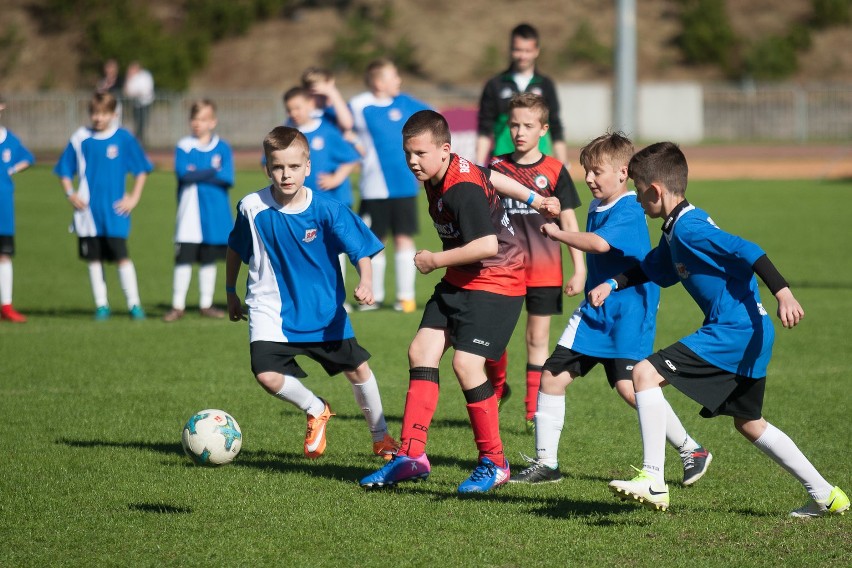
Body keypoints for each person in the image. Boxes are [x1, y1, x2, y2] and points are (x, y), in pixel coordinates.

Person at [591, 141, 849, 516]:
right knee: (750, 423)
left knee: (643, 373)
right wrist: (613, 283)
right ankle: (826, 494)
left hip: (734, 331)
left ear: (654, 191)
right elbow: (651, 268)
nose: (635, 199)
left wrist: (784, 293)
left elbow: (749, 249)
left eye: (637, 191)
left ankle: (653, 478)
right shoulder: (674, 228)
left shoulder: (690, 230)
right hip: (751, 331)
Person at [359, 110, 561, 493]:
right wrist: (534, 198)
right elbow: (493, 177)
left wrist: (433, 260)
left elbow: (486, 246)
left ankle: (494, 462)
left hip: (497, 281)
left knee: (466, 365)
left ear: (445, 150)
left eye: (420, 153)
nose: (413, 162)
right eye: (408, 153)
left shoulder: (459, 188)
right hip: (462, 280)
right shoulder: (447, 169)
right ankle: (412, 456)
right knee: (421, 351)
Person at [508, 132, 711, 488]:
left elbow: (600, 243)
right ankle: (547, 463)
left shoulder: (630, 207)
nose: (588, 178)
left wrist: (557, 234)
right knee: (553, 375)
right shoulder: (594, 206)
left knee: (630, 388)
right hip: (595, 310)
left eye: (596, 171)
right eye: (586, 170)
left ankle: (691, 449)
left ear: (622, 172)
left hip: (630, 311)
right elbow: (594, 251)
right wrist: (582, 273)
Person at [225, 125, 398, 461]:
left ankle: (381, 437)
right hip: (270, 309)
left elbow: (360, 250)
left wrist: (366, 280)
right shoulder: (251, 207)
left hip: (322, 310)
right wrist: (230, 289)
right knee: (266, 374)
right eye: (277, 167)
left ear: (307, 166)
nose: (285, 174)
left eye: (293, 167)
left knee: (358, 370)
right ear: (267, 168)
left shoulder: (328, 209)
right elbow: (235, 248)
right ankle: (315, 407)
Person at [484, 93, 586, 429]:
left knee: (536, 339)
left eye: (528, 125)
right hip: (502, 268)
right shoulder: (496, 168)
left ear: (543, 129)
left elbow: (569, 222)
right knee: (492, 335)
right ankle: (497, 387)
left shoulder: (555, 170)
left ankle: (532, 409)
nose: (519, 131)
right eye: (514, 125)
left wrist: (580, 268)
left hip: (545, 268)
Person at [54, 92, 153, 321]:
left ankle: (134, 304)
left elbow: (141, 169)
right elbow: (64, 169)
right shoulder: (80, 138)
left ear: (113, 114)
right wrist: (70, 193)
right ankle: (101, 305)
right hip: (87, 212)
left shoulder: (123, 138)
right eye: (94, 113)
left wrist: (134, 198)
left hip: (116, 211)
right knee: (94, 259)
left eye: (103, 113)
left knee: (122, 257)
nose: (98, 118)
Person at [349, 58, 430, 313]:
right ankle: (374, 296)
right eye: (394, 76)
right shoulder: (359, 104)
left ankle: (405, 297)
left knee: (404, 237)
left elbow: (433, 118)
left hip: (404, 186)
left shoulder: (405, 102)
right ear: (378, 82)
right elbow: (340, 126)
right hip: (374, 187)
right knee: (375, 240)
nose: (399, 81)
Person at [163, 99, 234, 322]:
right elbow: (183, 173)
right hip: (189, 215)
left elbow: (227, 177)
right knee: (184, 259)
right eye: (194, 118)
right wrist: (212, 170)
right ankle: (177, 305)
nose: (197, 123)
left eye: (203, 119)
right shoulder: (184, 145)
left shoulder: (222, 147)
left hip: (214, 214)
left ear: (213, 122)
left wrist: (199, 172)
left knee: (208, 259)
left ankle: (206, 304)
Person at [476, 23, 568, 167]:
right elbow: (484, 128)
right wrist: (480, 163)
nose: (523, 56)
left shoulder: (546, 84)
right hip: (504, 160)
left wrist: (564, 163)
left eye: (527, 50)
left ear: (536, 51)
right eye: (518, 50)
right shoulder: (495, 84)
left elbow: (555, 125)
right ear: (511, 50)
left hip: (541, 161)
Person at [0, 95, 35, 323]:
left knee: (4, 255)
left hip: (3, 210)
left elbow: (28, 157)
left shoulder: (9, 139)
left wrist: (11, 169)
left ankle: (6, 305)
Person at [300, 67, 355, 136]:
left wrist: (332, 92)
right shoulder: (309, 113)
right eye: (315, 95)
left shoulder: (336, 109)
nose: (320, 99)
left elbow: (347, 125)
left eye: (323, 95)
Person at [123, 61, 155, 147]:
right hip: (135, 104)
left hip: (145, 103)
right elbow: (127, 91)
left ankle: (141, 141)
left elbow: (145, 90)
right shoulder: (131, 77)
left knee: (142, 122)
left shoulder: (145, 76)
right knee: (136, 122)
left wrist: (135, 93)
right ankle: (137, 140)